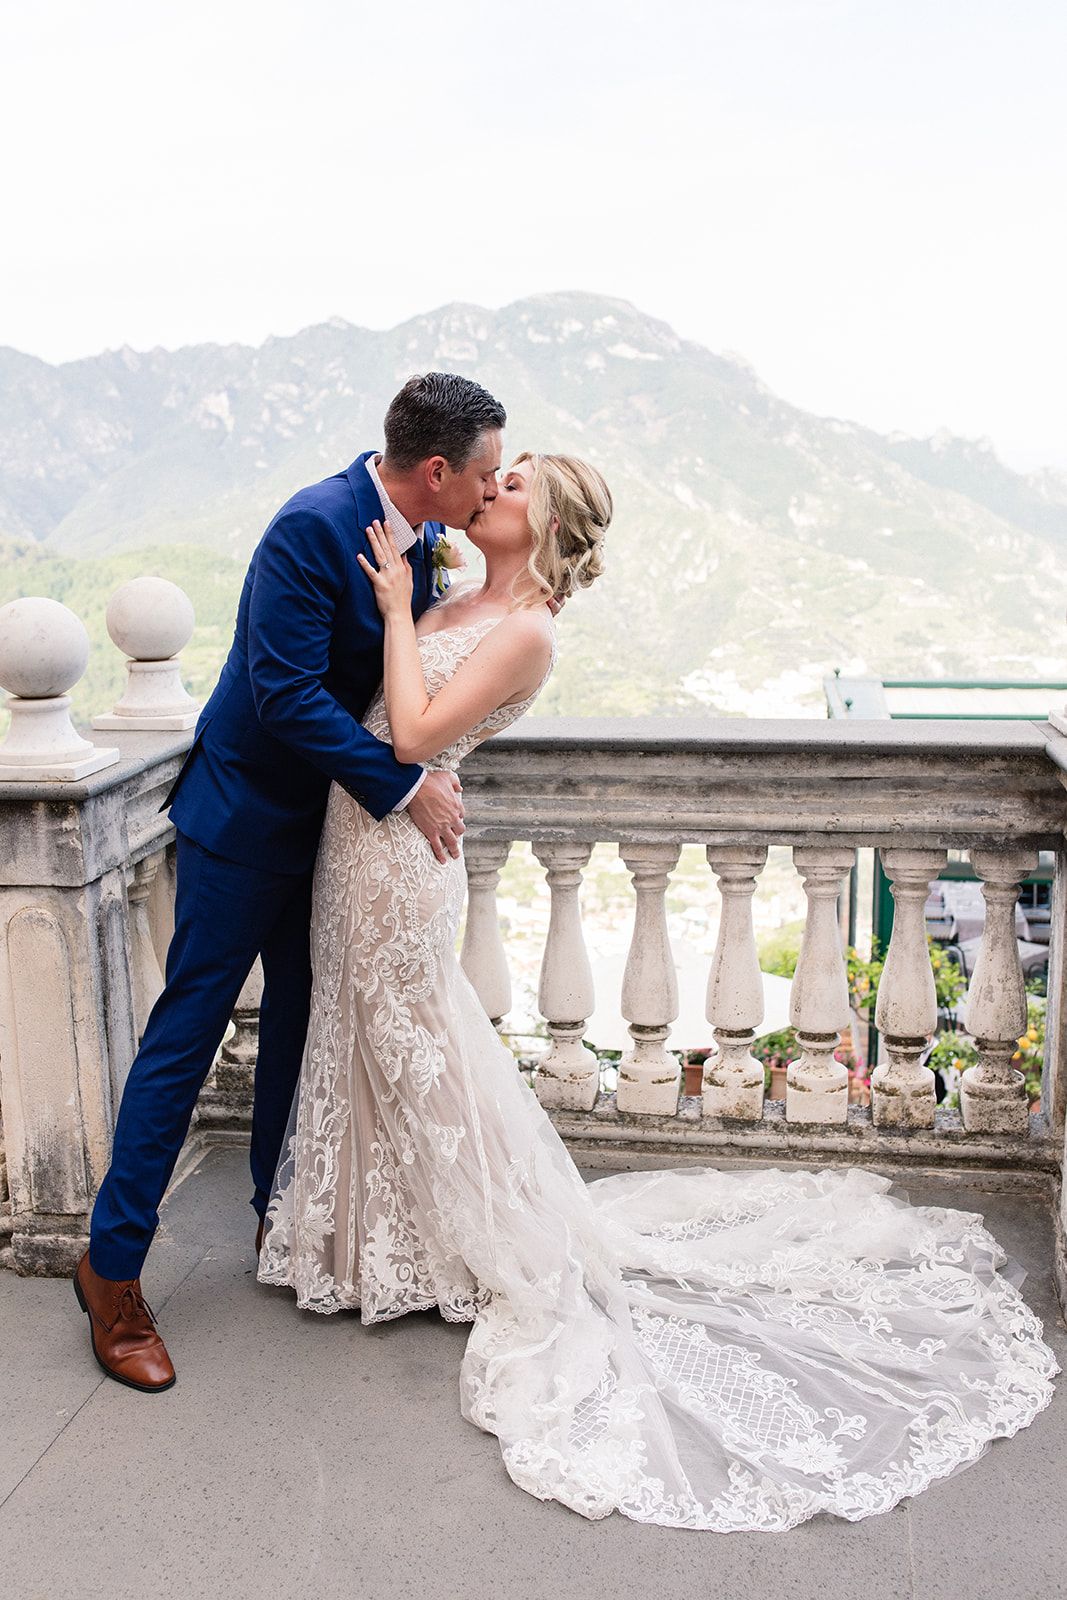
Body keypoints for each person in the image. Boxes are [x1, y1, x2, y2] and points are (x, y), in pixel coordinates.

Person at [258, 451, 1057, 1531]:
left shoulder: (526, 630)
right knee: (367, 1034)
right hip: (358, 843)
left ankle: (472, 1244)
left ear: (541, 524)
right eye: (495, 475)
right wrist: (410, 601)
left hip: (405, 857)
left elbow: (408, 735)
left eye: (513, 485)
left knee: (420, 1046)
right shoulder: (462, 592)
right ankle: (366, 1242)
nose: (491, 487)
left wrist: (397, 612)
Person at [73, 372, 507, 1393]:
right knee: (182, 1042)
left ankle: (282, 1211)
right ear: (435, 470)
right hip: (245, 825)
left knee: (303, 1029)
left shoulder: (434, 539)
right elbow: (281, 696)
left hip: (336, 836)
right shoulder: (309, 527)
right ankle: (113, 1272)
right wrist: (405, 786)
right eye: (484, 474)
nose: (490, 492)